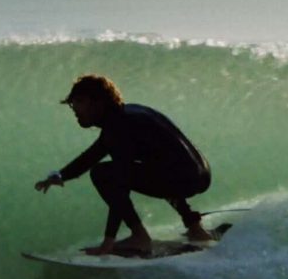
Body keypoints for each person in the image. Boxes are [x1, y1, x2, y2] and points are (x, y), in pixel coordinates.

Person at [33, 74, 213, 256]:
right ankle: (194, 227)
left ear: (98, 103)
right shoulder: (126, 114)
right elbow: (94, 154)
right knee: (156, 166)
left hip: (184, 178)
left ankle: (140, 237)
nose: (74, 108)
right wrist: (61, 175)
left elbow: (120, 182)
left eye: (79, 101)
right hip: (200, 174)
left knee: (103, 174)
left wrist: (108, 241)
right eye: (73, 103)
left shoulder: (120, 127)